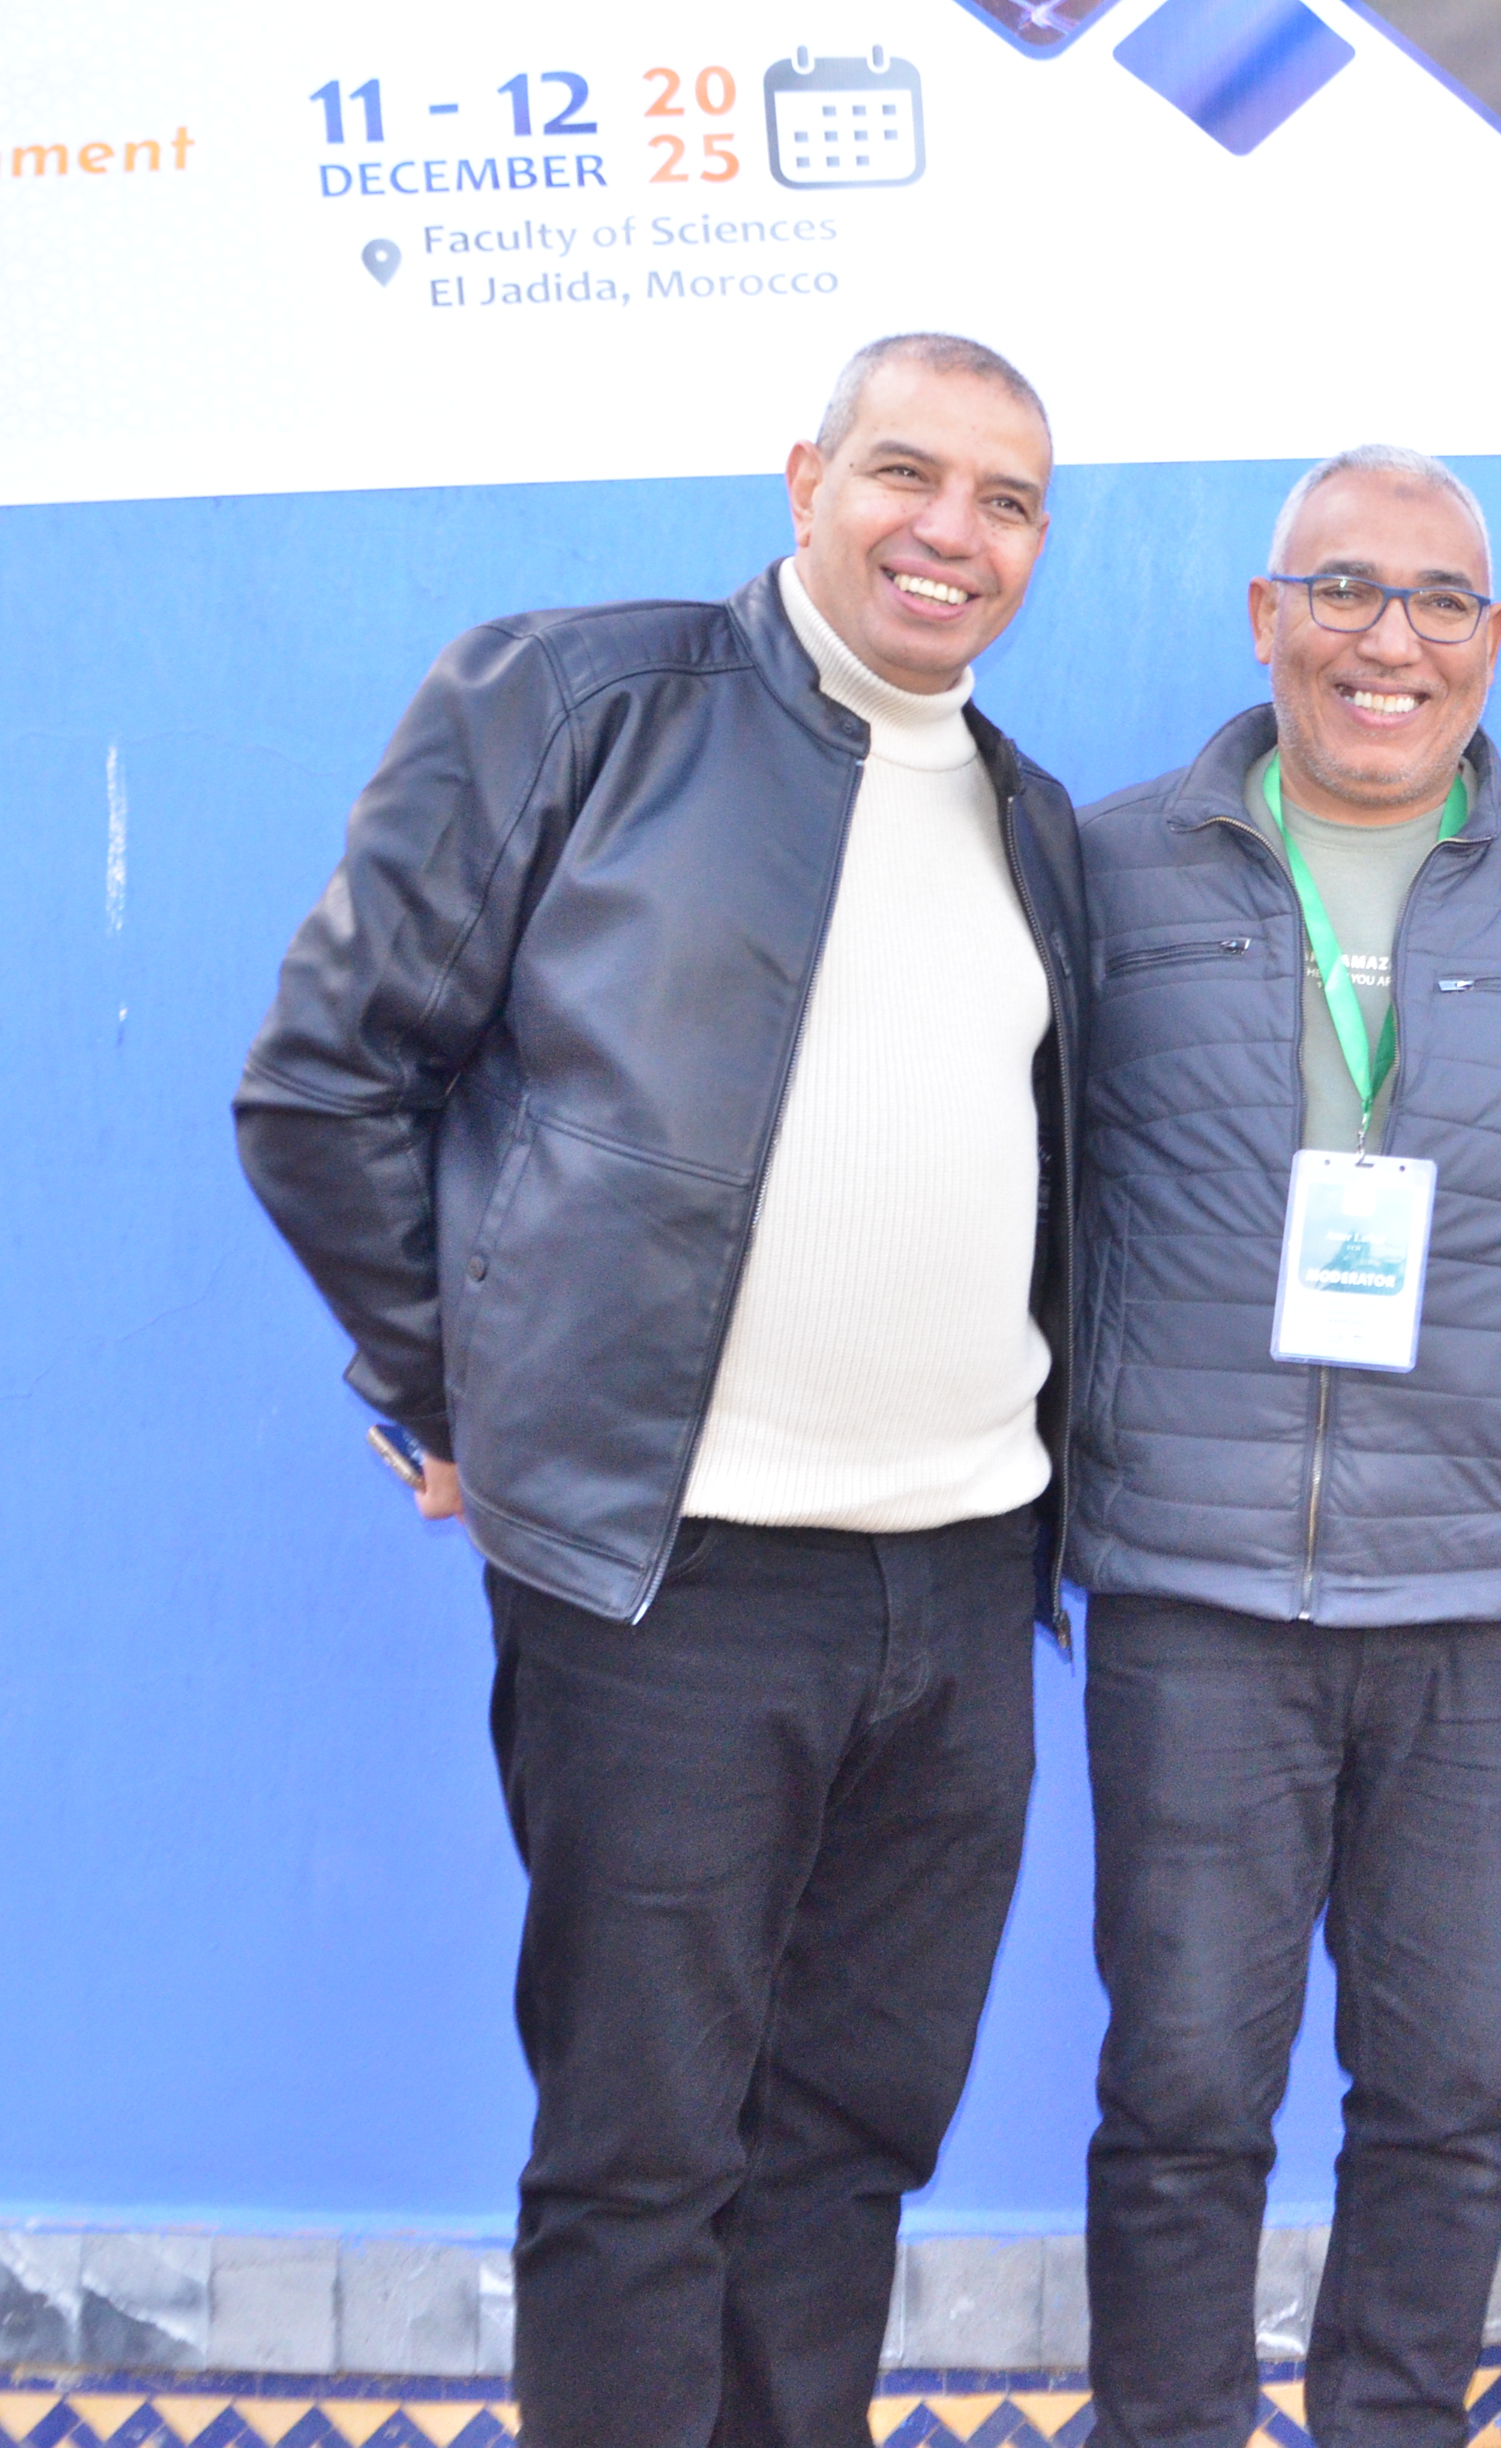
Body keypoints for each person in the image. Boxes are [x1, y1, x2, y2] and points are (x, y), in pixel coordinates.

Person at [235, 333, 1083, 2448]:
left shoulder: (1027, 815)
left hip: (961, 1585)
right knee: (642, 2157)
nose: (952, 532)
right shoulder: (575, 703)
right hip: (673, 1586)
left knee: (848, 2142)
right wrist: (465, 1392)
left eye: (1007, 501)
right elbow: (323, 1079)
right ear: (804, 478)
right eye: (906, 473)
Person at [1070, 442, 1501, 2448]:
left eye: (1440, 600)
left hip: (1488, 1613)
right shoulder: (1103, 873)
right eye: (1345, 590)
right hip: (1194, 1596)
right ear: (1265, 618)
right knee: (1181, 2095)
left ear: (1492, 639)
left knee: (1447, 2101)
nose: (1392, 640)